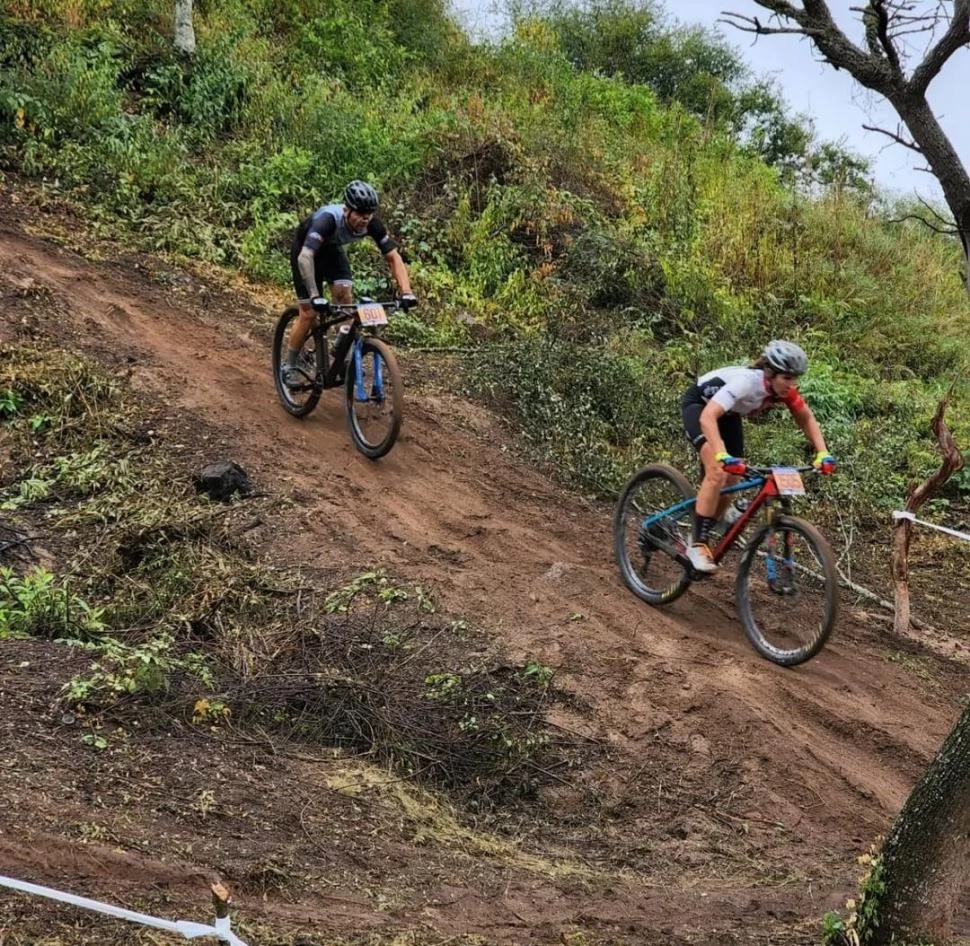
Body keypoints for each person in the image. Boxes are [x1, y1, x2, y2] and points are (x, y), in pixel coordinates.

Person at [680, 340, 836, 573]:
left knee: (733, 478)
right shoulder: (747, 382)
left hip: (728, 414)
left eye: (795, 378)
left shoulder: (784, 390)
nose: (791, 384)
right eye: (787, 378)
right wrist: (721, 454)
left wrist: (823, 452)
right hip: (700, 407)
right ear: (770, 373)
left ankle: (715, 519)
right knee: (717, 469)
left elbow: (806, 418)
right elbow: (708, 417)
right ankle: (697, 544)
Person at [281, 179, 417, 387]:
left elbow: (393, 257)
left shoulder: (372, 224)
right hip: (306, 252)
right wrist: (316, 296)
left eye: (369, 214)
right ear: (347, 211)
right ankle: (289, 365)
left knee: (345, 296)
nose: (365, 219)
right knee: (309, 313)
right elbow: (305, 257)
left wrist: (406, 292)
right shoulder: (327, 220)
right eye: (360, 214)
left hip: (331, 250)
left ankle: (341, 350)